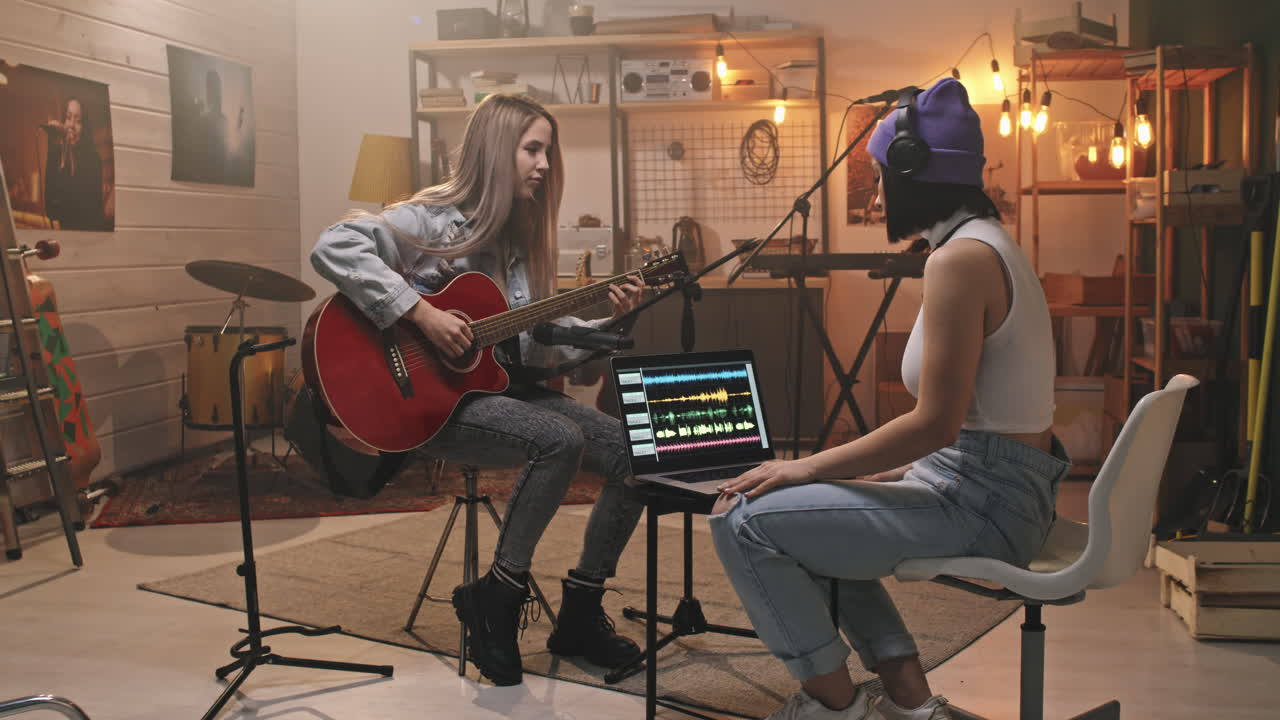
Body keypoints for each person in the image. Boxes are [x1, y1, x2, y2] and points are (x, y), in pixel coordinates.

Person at [708, 77, 1071, 720]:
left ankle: (834, 707)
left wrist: (806, 465)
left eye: (880, 178)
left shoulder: (960, 261)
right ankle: (909, 700)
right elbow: (977, 427)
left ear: (913, 171)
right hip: (992, 487)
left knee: (743, 518)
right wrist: (867, 474)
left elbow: (936, 424)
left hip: (987, 505)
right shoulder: (983, 243)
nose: (876, 195)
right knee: (801, 511)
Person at [310, 93, 647, 687]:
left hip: (498, 391)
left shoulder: (520, 236)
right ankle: (499, 597)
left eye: (548, 151)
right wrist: (421, 314)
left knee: (634, 453)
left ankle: (580, 613)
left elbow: (533, 350)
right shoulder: (431, 218)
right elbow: (333, 246)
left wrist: (608, 326)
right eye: (532, 149)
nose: (545, 164)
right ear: (496, 150)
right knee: (557, 438)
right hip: (428, 404)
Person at [42, 97, 104, 230]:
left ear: (85, 127)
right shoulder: (59, 155)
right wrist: (55, 149)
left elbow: (88, 213)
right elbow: (51, 209)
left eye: (78, 120)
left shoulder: (94, 160)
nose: (71, 125)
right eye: (68, 117)